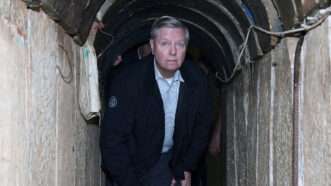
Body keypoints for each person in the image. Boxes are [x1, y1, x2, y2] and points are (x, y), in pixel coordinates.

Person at [100, 16, 213, 186]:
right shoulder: (128, 81)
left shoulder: (197, 80)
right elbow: (112, 140)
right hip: (129, 163)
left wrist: (186, 166)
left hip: (167, 161)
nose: (173, 51)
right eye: (165, 43)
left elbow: (202, 128)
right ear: (152, 46)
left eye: (180, 44)